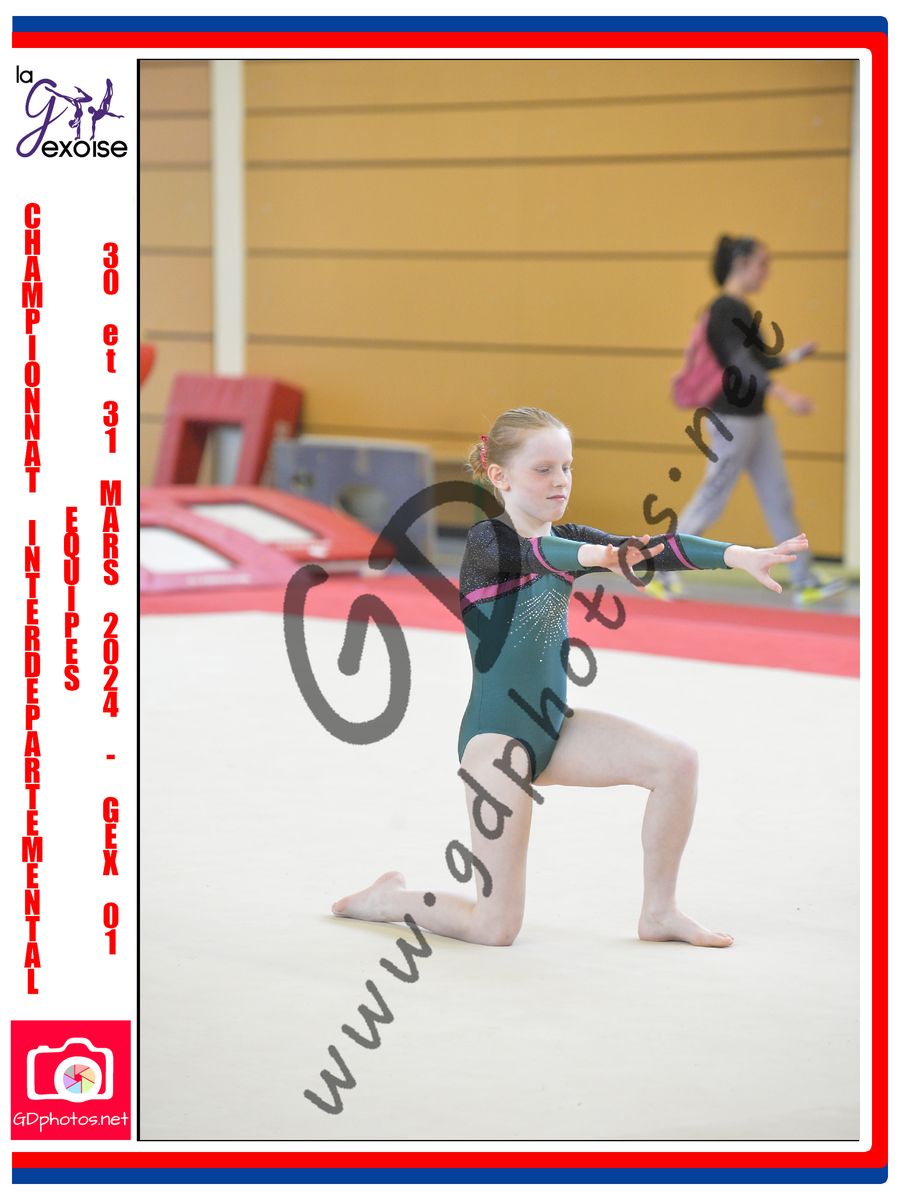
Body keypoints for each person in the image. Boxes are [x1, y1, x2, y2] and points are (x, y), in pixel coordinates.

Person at [332, 407, 809, 949]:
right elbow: (540, 554)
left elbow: (649, 549)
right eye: (543, 469)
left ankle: (660, 912)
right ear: (500, 476)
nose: (560, 480)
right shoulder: (488, 542)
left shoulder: (569, 538)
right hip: (496, 743)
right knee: (495, 927)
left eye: (567, 467)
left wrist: (739, 555)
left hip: (554, 730)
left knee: (677, 762)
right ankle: (391, 899)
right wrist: (598, 555)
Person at [648, 234, 844, 606]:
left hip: (756, 419)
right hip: (730, 420)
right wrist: (787, 396)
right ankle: (661, 568)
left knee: (778, 498)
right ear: (740, 264)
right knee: (712, 498)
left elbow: (762, 361)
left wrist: (796, 356)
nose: (766, 272)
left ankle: (804, 581)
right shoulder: (724, 310)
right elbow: (742, 365)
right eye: (762, 264)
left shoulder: (741, 308)